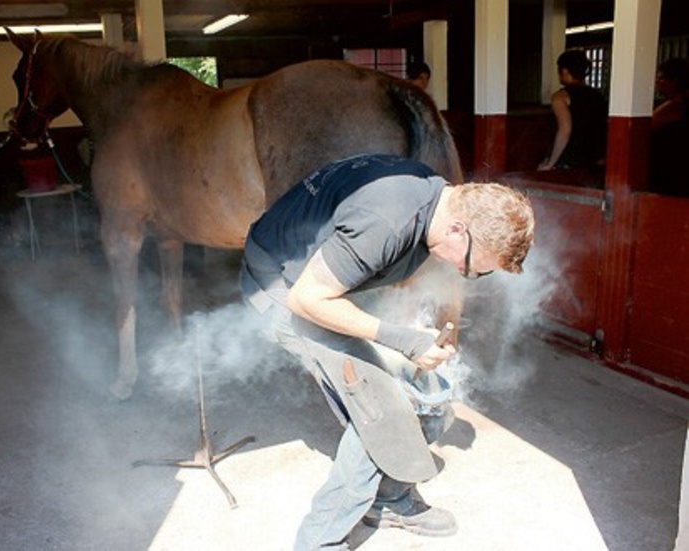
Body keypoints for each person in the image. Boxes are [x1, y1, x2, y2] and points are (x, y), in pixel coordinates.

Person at [240, 154, 535, 550]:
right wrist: (404, 340)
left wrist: (403, 336)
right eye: (474, 268)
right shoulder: (385, 221)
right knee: (379, 410)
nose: (469, 276)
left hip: (320, 276)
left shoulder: (434, 197)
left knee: (418, 393)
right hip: (281, 287)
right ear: (458, 230)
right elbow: (307, 299)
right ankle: (319, 541)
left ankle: (389, 497)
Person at [538, 49, 607, 172]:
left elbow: (565, 130)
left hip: (568, 160)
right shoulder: (598, 95)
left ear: (564, 71)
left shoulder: (560, 97)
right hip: (594, 161)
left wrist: (550, 163)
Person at [650, 58, 689, 196]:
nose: (657, 82)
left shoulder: (676, 106)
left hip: (669, 173)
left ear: (675, 81)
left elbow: (645, 128)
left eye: (661, 78)